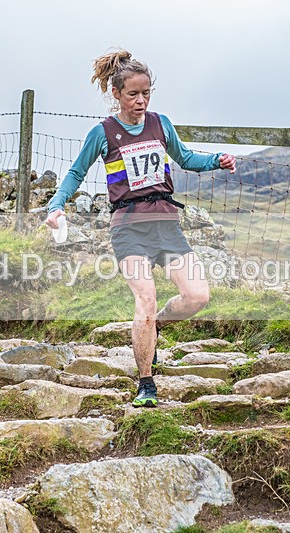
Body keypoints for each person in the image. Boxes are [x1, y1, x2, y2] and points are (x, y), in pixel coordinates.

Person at [45, 50, 236, 408]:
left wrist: (217, 161)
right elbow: (75, 174)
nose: (141, 100)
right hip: (129, 228)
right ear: (116, 93)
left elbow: (185, 159)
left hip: (167, 224)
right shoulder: (102, 133)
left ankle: (156, 327)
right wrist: (56, 206)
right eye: (133, 94)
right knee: (145, 299)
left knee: (197, 297)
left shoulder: (160, 124)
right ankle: (146, 383)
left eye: (146, 93)